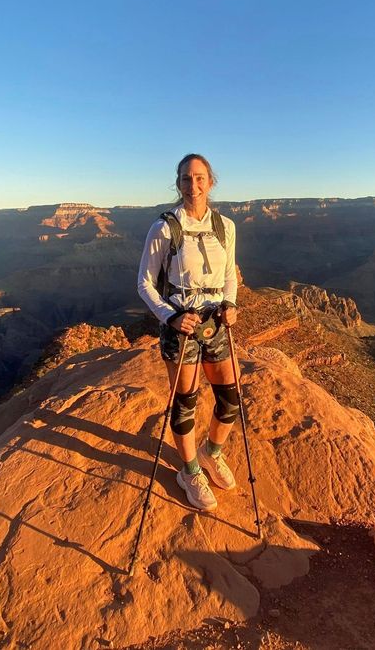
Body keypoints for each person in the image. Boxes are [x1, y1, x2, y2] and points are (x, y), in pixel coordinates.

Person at [137, 153, 239, 511]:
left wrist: (231, 303)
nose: (192, 186)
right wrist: (170, 316)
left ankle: (212, 453)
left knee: (229, 398)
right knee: (185, 404)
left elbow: (229, 274)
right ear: (177, 183)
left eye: (198, 178)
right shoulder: (164, 228)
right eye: (185, 179)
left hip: (216, 323)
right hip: (181, 325)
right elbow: (145, 284)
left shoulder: (226, 227)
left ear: (210, 181)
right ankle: (190, 471)